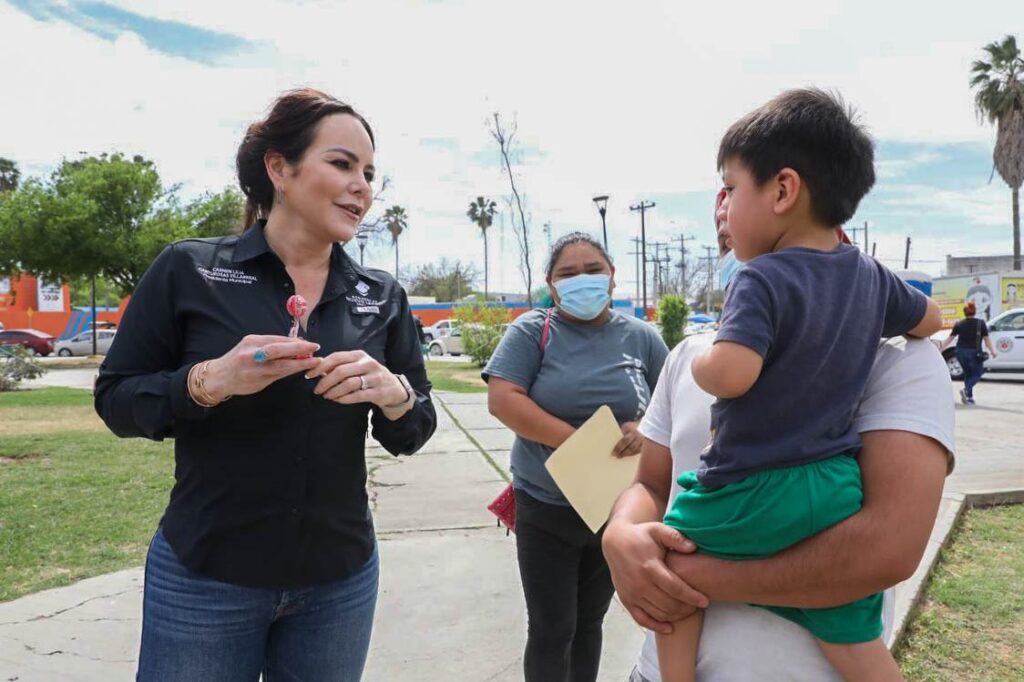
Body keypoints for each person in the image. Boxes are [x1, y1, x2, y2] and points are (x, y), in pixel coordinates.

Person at [94, 88, 437, 682]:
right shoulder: (191, 269)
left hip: (340, 580)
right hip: (206, 576)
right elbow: (117, 398)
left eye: (370, 172)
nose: (363, 186)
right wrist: (210, 381)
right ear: (279, 168)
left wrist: (395, 395)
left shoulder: (382, 296)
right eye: (342, 163)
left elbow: (414, 427)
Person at [603, 187, 955, 681]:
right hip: (652, 670)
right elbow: (651, 485)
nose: (737, 257)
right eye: (725, 242)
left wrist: (688, 574)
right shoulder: (687, 355)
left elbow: (886, 552)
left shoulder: (900, 359)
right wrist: (621, 535)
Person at [483, 231, 669, 682]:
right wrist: (580, 442)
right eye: (568, 274)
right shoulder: (533, 330)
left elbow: (672, 403)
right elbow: (503, 398)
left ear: (611, 277)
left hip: (611, 509)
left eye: (593, 270)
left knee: (588, 623)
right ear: (550, 283)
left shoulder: (642, 337)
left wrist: (644, 428)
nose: (582, 280)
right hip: (545, 506)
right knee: (552, 628)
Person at [940, 301, 997, 404]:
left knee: (968, 374)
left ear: (964, 312)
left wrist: (940, 348)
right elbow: (986, 339)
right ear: (974, 311)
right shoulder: (980, 323)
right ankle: (966, 390)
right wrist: (992, 351)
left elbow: (950, 338)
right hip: (974, 353)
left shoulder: (959, 324)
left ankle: (969, 398)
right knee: (977, 374)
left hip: (960, 352)